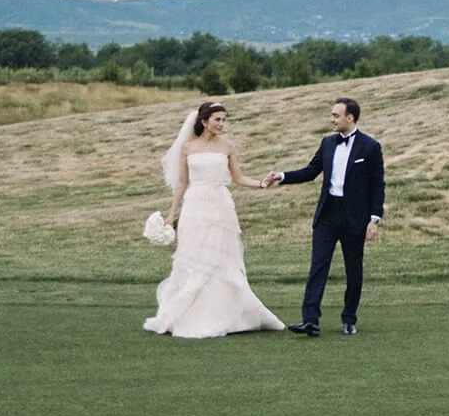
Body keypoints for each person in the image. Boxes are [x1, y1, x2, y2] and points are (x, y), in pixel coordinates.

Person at [144, 101, 286, 339]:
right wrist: (171, 213)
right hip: (195, 206)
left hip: (220, 207)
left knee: (221, 258)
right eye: (217, 119)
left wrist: (261, 184)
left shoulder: (227, 146)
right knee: (195, 258)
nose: (221, 124)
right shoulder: (188, 148)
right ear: (203, 121)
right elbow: (182, 184)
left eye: (223, 119)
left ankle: (227, 314)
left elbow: (238, 178)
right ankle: (186, 314)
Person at [261, 96, 384, 336]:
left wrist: (374, 219)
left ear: (350, 118)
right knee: (318, 266)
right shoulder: (327, 143)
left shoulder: (370, 147)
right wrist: (282, 176)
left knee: (353, 269)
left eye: (336, 115)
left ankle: (349, 318)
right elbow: (310, 171)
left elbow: (378, 185)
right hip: (327, 214)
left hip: (355, 218)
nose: (332, 120)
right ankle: (310, 320)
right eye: (332, 115)